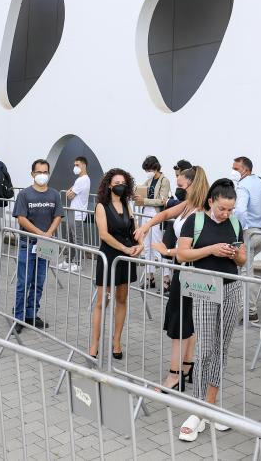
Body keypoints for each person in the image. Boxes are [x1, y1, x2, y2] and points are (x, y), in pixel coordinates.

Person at [175, 179, 246, 442]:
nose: (226, 214)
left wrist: (233, 254)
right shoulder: (195, 221)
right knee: (205, 348)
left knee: (221, 348)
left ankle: (211, 405)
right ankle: (198, 410)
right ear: (211, 202)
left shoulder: (235, 224)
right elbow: (182, 254)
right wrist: (211, 250)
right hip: (204, 288)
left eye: (230, 209)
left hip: (231, 288)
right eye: (222, 208)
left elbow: (243, 259)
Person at [135, 166, 209, 391]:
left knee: (181, 323)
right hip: (182, 268)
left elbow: (196, 247)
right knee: (185, 321)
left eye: (181, 185)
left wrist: (167, 251)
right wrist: (147, 225)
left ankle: (174, 375)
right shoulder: (188, 205)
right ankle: (186, 367)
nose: (179, 189)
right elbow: (166, 214)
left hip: (190, 270)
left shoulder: (202, 211)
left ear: (192, 184)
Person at [89, 168, 141, 358]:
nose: (120, 186)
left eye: (123, 183)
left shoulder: (127, 205)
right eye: (117, 183)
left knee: (121, 299)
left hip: (126, 258)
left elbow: (135, 230)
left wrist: (140, 245)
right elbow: (104, 234)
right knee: (103, 301)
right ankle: (94, 345)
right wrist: (125, 249)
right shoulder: (101, 206)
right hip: (110, 256)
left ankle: (116, 341)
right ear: (109, 185)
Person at [12, 159, 63, 333]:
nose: (42, 175)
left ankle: (31, 314)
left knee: (39, 282)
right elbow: (21, 218)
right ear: (32, 174)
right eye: (39, 172)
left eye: (45, 172)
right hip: (28, 244)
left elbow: (58, 216)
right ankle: (18, 317)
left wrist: (48, 233)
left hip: (45, 245)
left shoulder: (54, 194)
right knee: (23, 283)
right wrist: (40, 233)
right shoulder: (25, 194)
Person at [231, 156, 261, 321]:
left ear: (245, 169)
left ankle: (250, 311)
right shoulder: (259, 181)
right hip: (260, 232)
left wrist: (240, 229)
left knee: (246, 272)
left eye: (236, 169)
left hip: (248, 232)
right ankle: (245, 306)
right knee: (248, 270)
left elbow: (240, 210)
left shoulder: (243, 185)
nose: (233, 171)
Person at [135, 155, 170, 290]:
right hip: (146, 213)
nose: (148, 172)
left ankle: (166, 280)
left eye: (149, 169)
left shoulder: (164, 181)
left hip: (156, 214)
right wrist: (136, 195)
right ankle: (150, 278)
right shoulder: (149, 180)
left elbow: (162, 200)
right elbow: (140, 190)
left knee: (158, 245)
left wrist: (144, 200)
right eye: (146, 170)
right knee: (147, 246)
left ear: (155, 167)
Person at [60, 156, 91, 271]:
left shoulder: (82, 180)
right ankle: (68, 261)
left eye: (77, 165)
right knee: (70, 238)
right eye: (74, 165)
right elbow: (70, 193)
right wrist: (71, 191)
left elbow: (69, 195)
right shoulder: (80, 179)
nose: (75, 167)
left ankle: (77, 263)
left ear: (84, 165)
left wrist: (70, 191)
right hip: (74, 212)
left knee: (77, 239)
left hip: (78, 214)